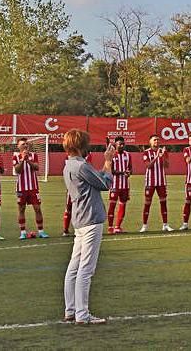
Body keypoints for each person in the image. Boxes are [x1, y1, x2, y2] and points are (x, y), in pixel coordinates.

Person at [62, 128, 114, 325]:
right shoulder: (82, 166)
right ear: (81, 146)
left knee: (74, 267)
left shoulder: (69, 166)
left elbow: (95, 179)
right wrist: (108, 161)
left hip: (80, 220)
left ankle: (71, 309)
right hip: (91, 219)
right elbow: (105, 183)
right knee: (86, 268)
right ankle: (82, 315)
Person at [13, 138, 48, 240]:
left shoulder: (34, 155)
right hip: (21, 188)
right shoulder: (15, 156)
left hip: (33, 187)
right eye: (23, 144)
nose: (25, 145)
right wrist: (23, 160)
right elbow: (17, 170)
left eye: (26, 144)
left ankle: (41, 231)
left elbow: (36, 167)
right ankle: (23, 232)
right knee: (21, 209)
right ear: (18, 146)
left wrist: (28, 160)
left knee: (37, 208)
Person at [140, 135, 172, 233]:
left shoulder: (163, 151)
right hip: (150, 181)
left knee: (163, 202)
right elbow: (148, 166)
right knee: (147, 203)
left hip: (161, 181)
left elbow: (167, 165)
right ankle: (144, 225)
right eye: (154, 140)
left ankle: (165, 225)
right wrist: (157, 157)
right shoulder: (146, 152)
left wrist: (162, 157)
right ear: (150, 142)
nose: (157, 141)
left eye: (158, 140)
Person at [63, 146, 96, 237]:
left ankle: (80, 228)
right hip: (73, 187)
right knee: (69, 207)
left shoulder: (89, 156)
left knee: (83, 207)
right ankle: (65, 230)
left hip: (84, 188)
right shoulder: (71, 156)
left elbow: (89, 168)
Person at [106, 137, 131, 235]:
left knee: (123, 205)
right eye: (119, 144)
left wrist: (129, 173)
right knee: (112, 205)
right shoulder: (111, 155)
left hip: (125, 185)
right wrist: (122, 172)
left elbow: (130, 169)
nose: (121, 145)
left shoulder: (128, 155)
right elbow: (110, 170)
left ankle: (118, 227)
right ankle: (110, 227)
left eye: (123, 144)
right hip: (114, 184)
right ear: (115, 145)